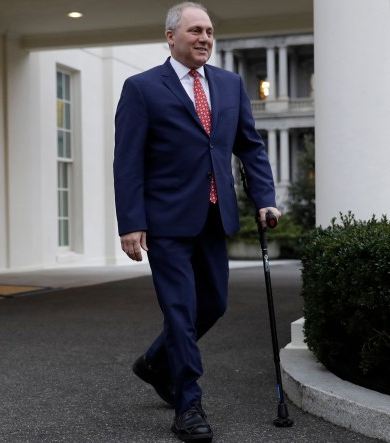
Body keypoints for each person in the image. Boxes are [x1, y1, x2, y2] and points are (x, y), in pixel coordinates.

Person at [113, 2, 280, 441]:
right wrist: (130, 223)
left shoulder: (229, 84)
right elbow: (127, 161)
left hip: (214, 215)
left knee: (214, 305)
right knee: (181, 310)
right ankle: (188, 404)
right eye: (194, 31)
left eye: (208, 31)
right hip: (165, 221)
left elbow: (250, 146)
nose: (204, 38)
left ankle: (154, 361)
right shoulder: (142, 88)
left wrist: (264, 198)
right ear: (171, 36)